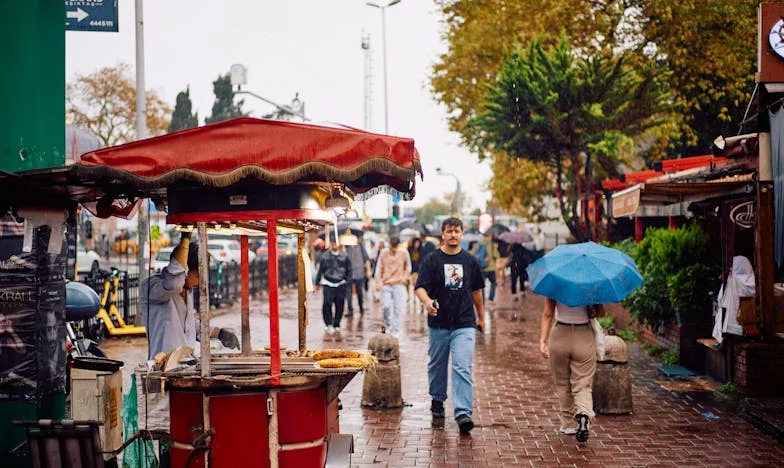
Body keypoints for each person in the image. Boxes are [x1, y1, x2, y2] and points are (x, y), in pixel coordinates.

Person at [414, 217, 485, 434]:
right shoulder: (432, 259)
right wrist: (427, 302)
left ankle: (463, 413)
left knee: (462, 366)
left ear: (462, 234)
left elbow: (476, 292)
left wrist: (481, 317)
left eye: (457, 231)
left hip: (464, 323)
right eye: (449, 231)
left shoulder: (470, 261)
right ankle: (437, 399)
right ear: (442, 234)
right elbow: (420, 287)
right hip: (439, 323)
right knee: (437, 365)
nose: (453, 235)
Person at [143, 232, 239, 359]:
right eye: (197, 276)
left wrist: (218, 333)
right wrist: (185, 239)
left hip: (185, 363)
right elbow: (174, 283)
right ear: (185, 270)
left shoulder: (187, 291)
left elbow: (189, 327)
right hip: (162, 367)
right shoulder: (153, 286)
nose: (199, 282)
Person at [539, 298, 606, 442]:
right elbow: (601, 313)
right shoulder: (590, 286)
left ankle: (568, 424)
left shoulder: (556, 282)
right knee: (583, 383)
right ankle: (583, 414)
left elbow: (547, 314)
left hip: (560, 335)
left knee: (562, 383)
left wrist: (542, 341)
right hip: (584, 335)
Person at [374, 236, 411, 336]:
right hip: (386, 283)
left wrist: (405, 277)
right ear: (389, 244)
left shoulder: (404, 253)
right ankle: (388, 324)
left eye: (395, 247)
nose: (393, 249)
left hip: (398, 283)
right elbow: (379, 267)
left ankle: (396, 329)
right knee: (386, 306)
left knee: (397, 308)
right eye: (392, 247)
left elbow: (408, 266)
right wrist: (377, 282)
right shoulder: (383, 252)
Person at [315, 239, 352, 332]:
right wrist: (317, 282)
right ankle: (328, 323)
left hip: (341, 283)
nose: (334, 244)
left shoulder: (345, 256)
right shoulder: (325, 256)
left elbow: (349, 270)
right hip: (328, 283)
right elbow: (320, 270)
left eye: (336, 242)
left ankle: (337, 324)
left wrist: (348, 283)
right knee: (327, 304)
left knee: (340, 305)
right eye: (333, 242)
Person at [345, 234, 371, 317]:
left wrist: (368, 270)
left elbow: (366, 259)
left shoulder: (360, 247)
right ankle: (350, 310)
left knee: (360, 292)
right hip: (348, 274)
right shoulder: (346, 247)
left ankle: (361, 308)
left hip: (359, 273)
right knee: (348, 293)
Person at [477, 231, 499, 307]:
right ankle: (490, 299)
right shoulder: (492, 244)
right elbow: (496, 255)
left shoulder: (480, 243)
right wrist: (496, 248)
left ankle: (482, 300)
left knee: (482, 285)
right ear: (489, 235)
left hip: (482, 267)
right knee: (493, 283)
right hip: (491, 268)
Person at [408, 237, 423, 304]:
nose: (417, 244)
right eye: (415, 243)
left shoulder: (421, 250)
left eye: (418, 243)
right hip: (411, 268)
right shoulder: (410, 250)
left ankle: (417, 297)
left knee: (416, 283)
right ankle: (413, 297)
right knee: (411, 283)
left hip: (418, 269)